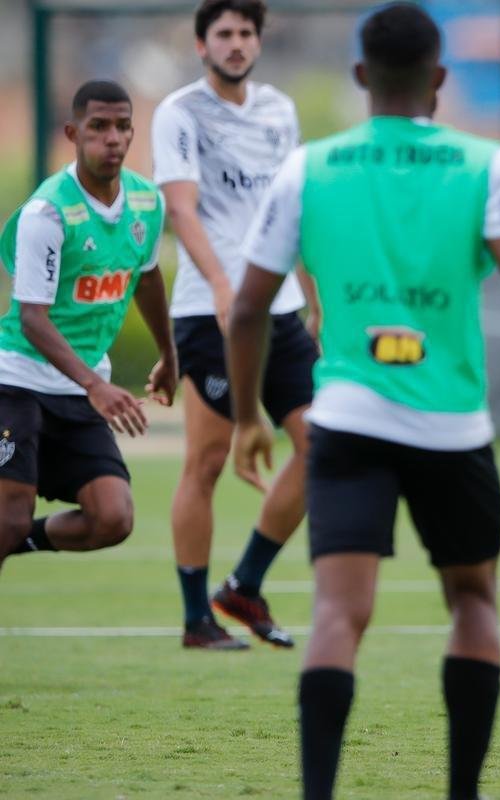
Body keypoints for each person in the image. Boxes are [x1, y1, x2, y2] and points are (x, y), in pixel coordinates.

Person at [226, 3, 500, 798]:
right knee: (473, 601)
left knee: (339, 614)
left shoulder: (309, 167)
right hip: (452, 428)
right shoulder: (488, 164)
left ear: (361, 76)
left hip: (345, 424)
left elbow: (246, 309)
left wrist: (243, 419)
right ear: (440, 79)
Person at [151, 0, 320, 650]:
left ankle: (243, 584)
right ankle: (197, 618)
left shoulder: (279, 109)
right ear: (202, 45)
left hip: (278, 313)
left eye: (246, 32)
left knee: (319, 447)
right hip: (208, 309)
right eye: (223, 33)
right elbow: (182, 212)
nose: (236, 42)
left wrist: (311, 291)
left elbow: (291, 206)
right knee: (207, 462)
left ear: (258, 41)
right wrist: (225, 287)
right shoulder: (179, 113)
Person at [0, 80, 175, 573]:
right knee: (6, 518)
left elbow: (147, 278)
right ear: (74, 133)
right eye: (99, 127)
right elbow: (33, 318)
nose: (112, 138)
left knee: (112, 517)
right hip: (16, 382)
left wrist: (169, 354)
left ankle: (18, 539)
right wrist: (97, 385)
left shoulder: (146, 204)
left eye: (122, 127)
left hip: (76, 391)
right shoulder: (47, 212)